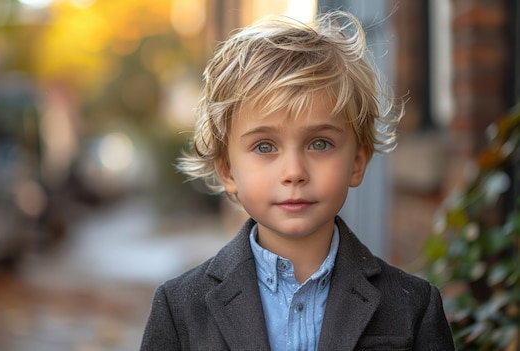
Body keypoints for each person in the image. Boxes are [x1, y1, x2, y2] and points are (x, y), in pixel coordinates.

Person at [141, 9, 455, 351]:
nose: (294, 172)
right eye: (264, 146)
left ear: (357, 162)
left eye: (320, 143)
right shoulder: (180, 308)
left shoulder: (413, 306)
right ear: (227, 170)